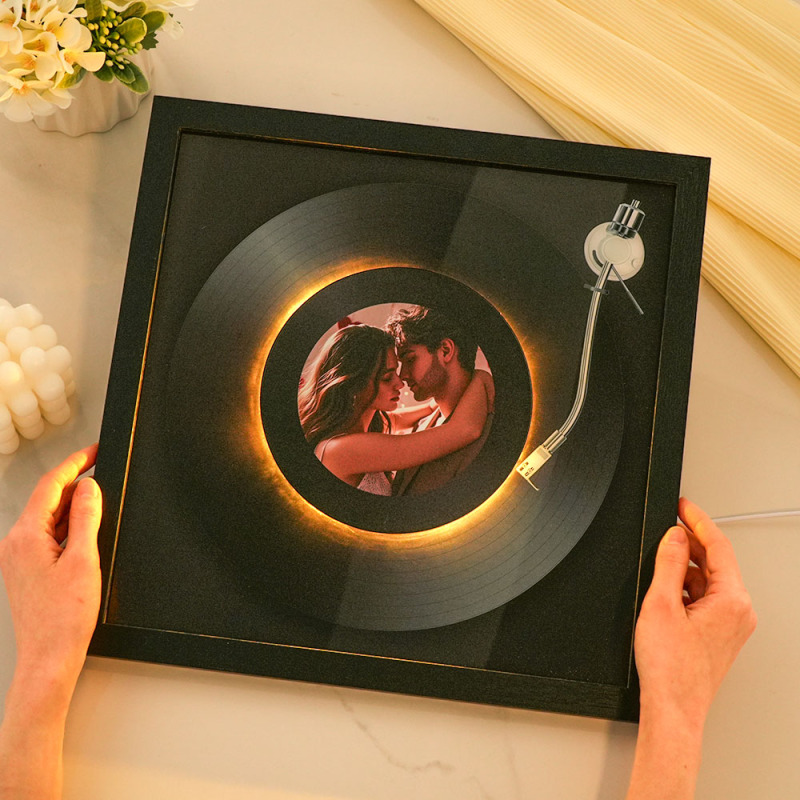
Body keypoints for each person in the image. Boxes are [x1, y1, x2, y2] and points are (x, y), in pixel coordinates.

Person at [0, 446, 756, 800]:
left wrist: (41, 663)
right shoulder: (348, 445)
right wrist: (677, 714)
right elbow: (461, 430)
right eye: (387, 375)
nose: (399, 384)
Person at [298, 323, 492, 495]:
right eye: (387, 377)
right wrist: (481, 377)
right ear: (355, 385)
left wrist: (440, 395)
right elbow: (465, 430)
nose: (400, 383)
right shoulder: (343, 450)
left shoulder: (358, 429)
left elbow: (405, 416)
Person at [384, 305, 495, 495]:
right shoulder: (421, 424)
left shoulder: (493, 431)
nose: (402, 375)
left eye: (410, 360)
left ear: (445, 351)